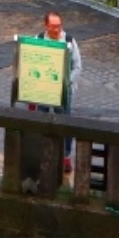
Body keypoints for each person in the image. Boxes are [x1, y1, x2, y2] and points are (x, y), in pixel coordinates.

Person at [33, 12, 83, 169]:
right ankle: (41, 152)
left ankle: (66, 155)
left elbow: (77, 66)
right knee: (40, 120)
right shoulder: (38, 40)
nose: (56, 30)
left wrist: (66, 83)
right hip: (43, 90)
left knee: (65, 122)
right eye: (53, 26)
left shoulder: (69, 41)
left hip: (63, 91)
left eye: (59, 26)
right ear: (46, 26)